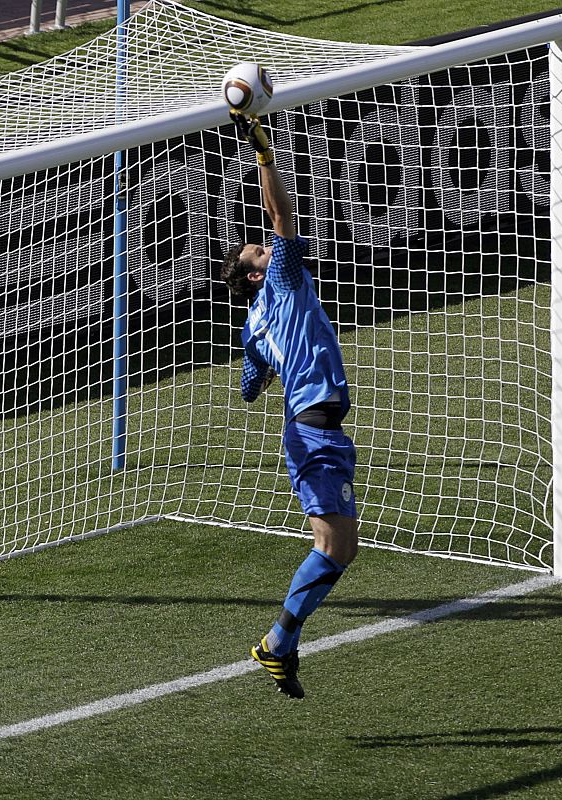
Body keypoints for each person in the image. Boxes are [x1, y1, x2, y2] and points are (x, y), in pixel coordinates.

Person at [221, 112, 358, 699]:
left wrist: (273, 359)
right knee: (335, 546)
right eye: (259, 253)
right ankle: (277, 643)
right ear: (258, 277)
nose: (267, 247)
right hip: (313, 430)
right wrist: (265, 156)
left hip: (313, 428)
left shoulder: (253, 327)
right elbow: (282, 218)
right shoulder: (281, 282)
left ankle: (279, 644)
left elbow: (251, 385)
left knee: (341, 546)